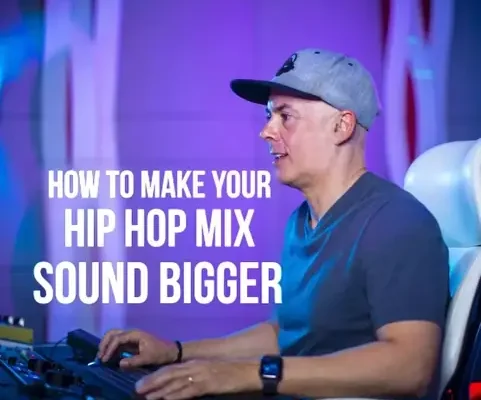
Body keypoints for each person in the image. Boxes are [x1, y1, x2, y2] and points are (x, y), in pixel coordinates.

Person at [97, 49, 450, 400]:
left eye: (285, 116)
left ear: (341, 126)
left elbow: (409, 366)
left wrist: (248, 374)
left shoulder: (396, 222)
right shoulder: (302, 221)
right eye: (269, 116)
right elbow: (285, 334)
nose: (266, 132)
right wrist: (175, 352)